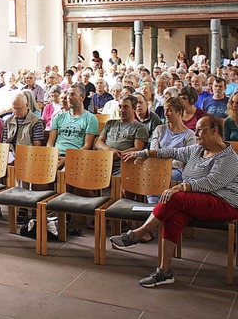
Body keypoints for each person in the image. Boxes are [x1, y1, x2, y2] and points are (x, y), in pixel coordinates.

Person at [113, 116, 238, 288]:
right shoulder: (197, 150)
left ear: (214, 131)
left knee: (175, 197)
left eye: (200, 129)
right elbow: (170, 152)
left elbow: (212, 182)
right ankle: (164, 272)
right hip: (199, 201)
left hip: (225, 202)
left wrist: (180, 187)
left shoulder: (229, 158)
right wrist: (143, 153)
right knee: (175, 216)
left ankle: (138, 233)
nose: (195, 133)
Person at [47, 84, 99, 168]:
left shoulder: (90, 118)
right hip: (56, 155)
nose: (69, 97)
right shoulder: (59, 117)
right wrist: (52, 156)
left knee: (65, 172)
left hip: (77, 158)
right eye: (68, 94)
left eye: (73, 94)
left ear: (82, 97)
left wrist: (68, 159)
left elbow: (87, 146)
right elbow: (50, 142)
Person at [95, 95, 148, 175]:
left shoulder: (140, 127)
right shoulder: (110, 123)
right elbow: (99, 143)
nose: (122, 110)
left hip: (124, 165)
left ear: (134, 109)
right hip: (103, 161)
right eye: (120, 107)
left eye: (126, 107)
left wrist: (118, 154)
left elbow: (138, 148)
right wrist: (110, 151)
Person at [149, 96, 196, 184]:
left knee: (160, 177)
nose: (165, 114)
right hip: (158, 167)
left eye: (170, 110)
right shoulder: (159, 129)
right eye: (165, 110)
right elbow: (153, 152)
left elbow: (186, 159)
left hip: (178, 170)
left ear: (179, 112)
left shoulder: (189, 134)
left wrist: (166, 164)